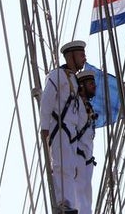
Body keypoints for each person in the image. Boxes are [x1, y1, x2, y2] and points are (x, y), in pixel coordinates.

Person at [40, 41, 88, 213]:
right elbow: (47, 100)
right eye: (81, 55)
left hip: (71, 132)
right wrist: (44, 127)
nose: (84, 59)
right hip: (59, 129)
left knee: (69, 168)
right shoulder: (57, 75)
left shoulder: (73, 81)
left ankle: (68, 204)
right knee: (60, 166)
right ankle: (62, 202)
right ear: (71, 56)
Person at [71, 70, 98, 214]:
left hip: (87, 159)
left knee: (86, 198)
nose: (94, 86)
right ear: (81, 86)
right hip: (77, 156)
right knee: (78, 196)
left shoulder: (88, 107)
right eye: (90, 83)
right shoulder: (74, 105)